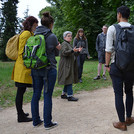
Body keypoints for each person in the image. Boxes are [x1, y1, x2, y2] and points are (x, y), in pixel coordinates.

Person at [105, 5, 134, 131]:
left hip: (116, 65)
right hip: (131, 66)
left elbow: (108, 50)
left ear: (119, 15)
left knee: (118, 93)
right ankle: (129, 118)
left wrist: (107, 65)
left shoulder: (112, 28)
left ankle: (121, 123)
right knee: (129, 91)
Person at [31, 12, 61, 129]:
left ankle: (36, 121)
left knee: (36, 94)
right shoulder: (52, 36)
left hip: (35, 68)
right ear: (51, 24)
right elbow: (56, 52)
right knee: (47, 95)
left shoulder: (34, 35)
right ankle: (48, 123)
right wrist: (58, 47)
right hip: (48, 69)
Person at [11, 16, 38, 122]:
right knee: (20, 91)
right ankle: (20, 116)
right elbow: (22, 51)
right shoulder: (26, 34)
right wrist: (27, 64)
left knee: (21, 91)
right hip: (22, 67)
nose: (36, 27)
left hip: (23, 67)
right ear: (31, 24)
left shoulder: (28, 33)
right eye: (35, 25)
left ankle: (21, 113)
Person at [58, 31, 82, 101]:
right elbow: (64, 53)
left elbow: (73, 54)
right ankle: (69, 96)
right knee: (69, 79)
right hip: (66, 65)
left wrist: (77, 51)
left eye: (71, 36)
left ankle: (63, 94)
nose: (70, 37)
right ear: (64, 37)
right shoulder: (64, 44)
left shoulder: (68, 44)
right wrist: (72, 50)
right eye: (68, 36)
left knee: (68, 79)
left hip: (69, 64)